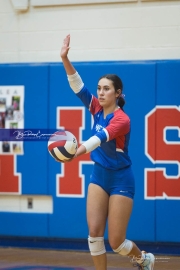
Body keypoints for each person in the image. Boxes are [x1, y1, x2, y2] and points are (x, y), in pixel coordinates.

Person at [60, 34, 155, 270]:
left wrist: (76, 151)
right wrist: (64, 58)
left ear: (117, 93)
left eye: (106, 89)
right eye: (99, 89)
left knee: (116, 242)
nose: (100, 93)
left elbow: (98, 138)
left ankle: (143, 259)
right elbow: (77, 85)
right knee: (94, 234)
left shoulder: (122, 119)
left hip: (121, 178)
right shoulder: (96, 108)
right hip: (99, 175)